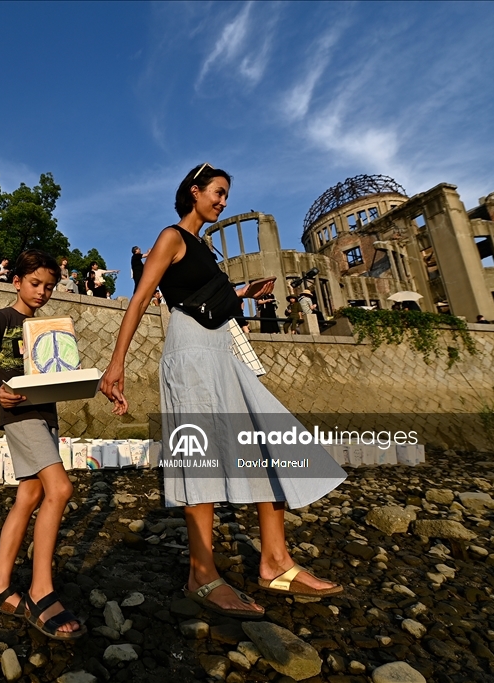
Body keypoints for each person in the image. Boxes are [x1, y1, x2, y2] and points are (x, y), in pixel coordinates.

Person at [100, 163, 345, 620]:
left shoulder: (204, 248)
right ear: (194, 192)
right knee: (201, 458)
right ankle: (201, 574)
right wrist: (117, 365)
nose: (223, 201)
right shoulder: (171, 237)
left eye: (226, 195)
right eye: (218, 192)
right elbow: (139, 298)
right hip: (191, 354)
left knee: (272, 443)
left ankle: (275, 562)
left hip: (224, 351)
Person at [0, 249, 86, 641]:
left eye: (50, 286)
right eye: (35, 283)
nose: (42, 292)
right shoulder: (2, 319)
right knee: (62, 487)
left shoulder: (47, 327)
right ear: (16, 281)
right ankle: (41, 590)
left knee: (29, 495)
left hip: (45, 415)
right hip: (20, 415)